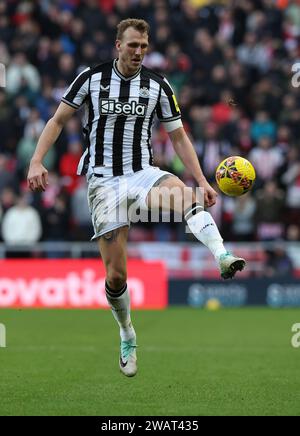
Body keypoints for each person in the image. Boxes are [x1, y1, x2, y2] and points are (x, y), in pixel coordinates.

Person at [27, 18, 245, 378]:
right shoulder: (90, 78)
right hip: (104, 183)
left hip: (144, 174)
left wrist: (203, 180)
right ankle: (127, 332)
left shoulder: (158, 85)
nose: (139, 52)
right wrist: (37, 160)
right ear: (118, 45)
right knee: (115, 276)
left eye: (143, 46)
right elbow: (57, 120)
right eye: (132, 46)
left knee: (186, 196)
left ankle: (222, 255)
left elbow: (178, 137)